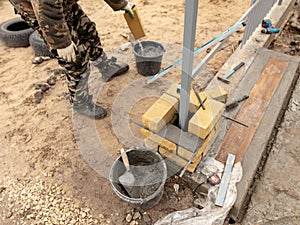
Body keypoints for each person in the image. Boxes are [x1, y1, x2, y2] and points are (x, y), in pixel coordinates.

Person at [8, 0, 134, 119]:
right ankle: (80, 102)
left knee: (88, 31)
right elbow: (46, 8)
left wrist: (120, 4)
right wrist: (61, 42)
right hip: (41, 10)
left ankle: (105, 67)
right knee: (75, 59)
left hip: (61, 4)